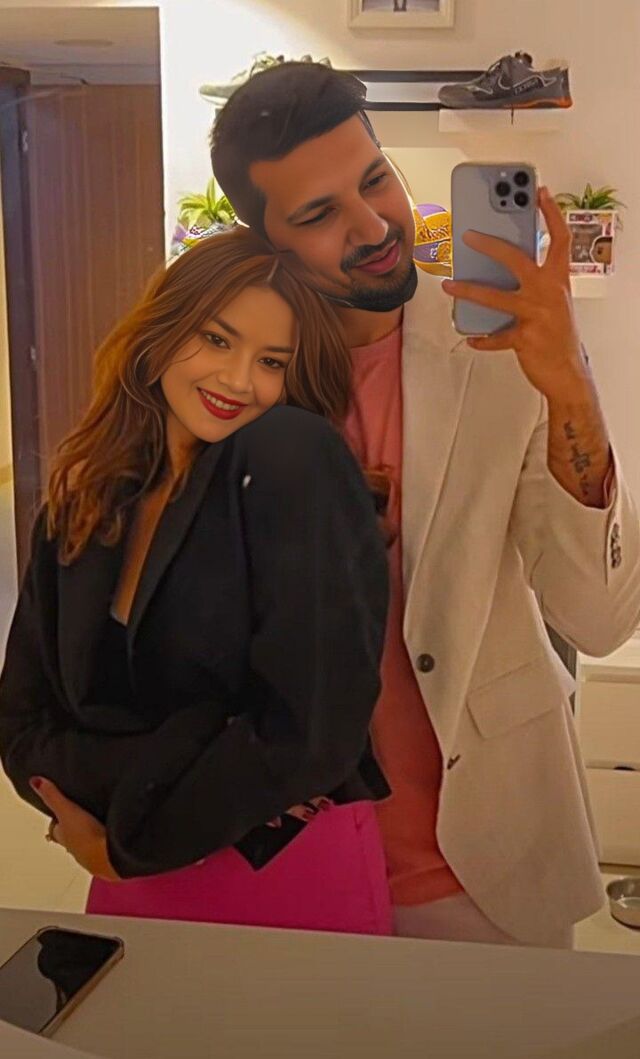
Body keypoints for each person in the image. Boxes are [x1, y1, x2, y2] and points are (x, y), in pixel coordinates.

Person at [209, 61, 640, 948]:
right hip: (286, 858)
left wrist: (570, 388)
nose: (373, 226)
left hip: (488, 856)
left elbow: (599, 620)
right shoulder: (231, 380)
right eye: (319, 214)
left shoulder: (505, 353)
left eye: (375, 179)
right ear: (266, 242)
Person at [0, 226, 393, 935]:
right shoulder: (85, 498)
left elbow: (313, 731)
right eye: (216, 340)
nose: (239, 380)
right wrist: (168, 782)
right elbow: (22, 723)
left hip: (278, 870)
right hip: (125, 866)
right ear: (161, 335)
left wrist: (130, 837)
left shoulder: (292, 456)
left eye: (271, 361)